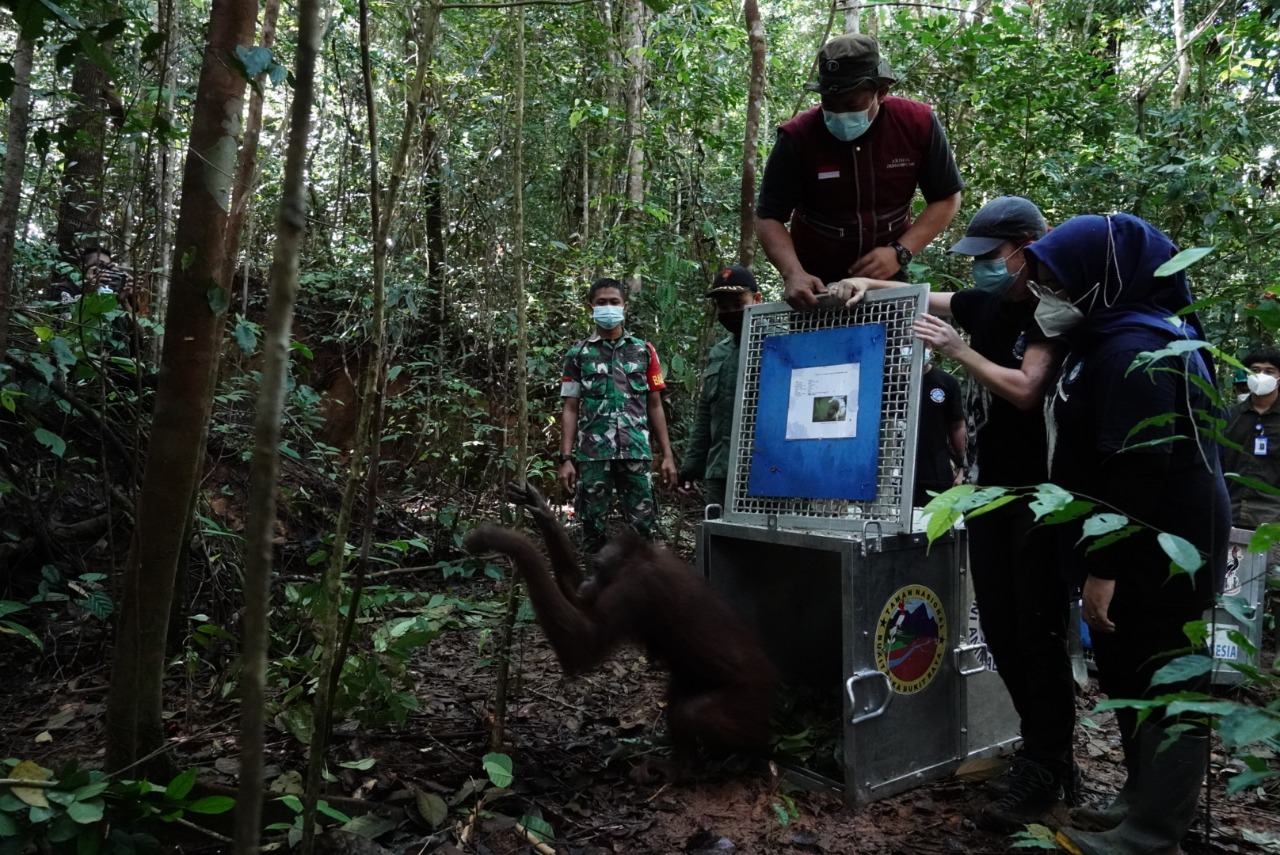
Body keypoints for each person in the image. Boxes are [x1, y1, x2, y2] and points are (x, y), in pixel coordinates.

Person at [831, 197, 1077, 830]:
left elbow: (1025, 390)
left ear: (1026, 248)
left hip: (1042, 497)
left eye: (990, 258)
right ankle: (1040, 749)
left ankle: (1049, 764)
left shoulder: (1055, 312)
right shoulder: (986, 303)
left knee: (1037, 630)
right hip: (991, 494)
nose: (981, 272)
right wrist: (866, 281)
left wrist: (958, 351)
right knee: (998, 623)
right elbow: (928, 295)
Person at [1023, 213, 1229, 855]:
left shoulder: (1134, 351)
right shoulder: (1106, 339)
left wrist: (1103, 570)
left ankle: (1154, 832)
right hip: (1133, 541)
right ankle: (1138, 799)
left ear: (1103, 279)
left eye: (1057, 280)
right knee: (1128, 672)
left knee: (1166, 681)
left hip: (1161, 548)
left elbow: (1139, 468)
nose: (1047, 294)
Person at [754, 33, 962, 310]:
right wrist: (792, 273)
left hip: (886, 272)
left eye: (851, 105)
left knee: (889, 349)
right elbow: (769, 216)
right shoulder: (797, 137)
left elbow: (947, 197)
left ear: (882, 91)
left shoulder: (917, 124)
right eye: (830, 104)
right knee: (819, 352)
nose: (839, 114)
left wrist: (899, 251)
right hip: (815, 280)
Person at [558, 278, 678, 556]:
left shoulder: (644, 350)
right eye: (601, 302)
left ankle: (641, 592)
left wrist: (667, 455)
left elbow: (655, 404)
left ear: (625, 305)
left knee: (643, 530)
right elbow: (571, 407)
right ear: (591, 307)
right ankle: (595, 593)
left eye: (614, 302)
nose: (608, 308)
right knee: (592, 529)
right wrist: (566, 459)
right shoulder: (578, 354)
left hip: (636, 452)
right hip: (593, 455)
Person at [678, 264, 762, 511]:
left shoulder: (778, 345)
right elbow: (706, 413)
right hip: (721, 470)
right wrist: (692, 466)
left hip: (765, 468)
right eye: (723, 307)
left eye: (738, 303)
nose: (731, 311)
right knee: (720, 541)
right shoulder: (720, 352)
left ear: (757, 299)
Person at [1221, 347, 1280, 569]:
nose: (1261, 375)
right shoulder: (1229, 416)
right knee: (1227, 584)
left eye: (1269, 371)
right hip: (1229, 514)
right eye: (1255, 370)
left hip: (1272, 521)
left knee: (1271, 586)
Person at [913, 351, 966, 506]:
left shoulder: (946, 382)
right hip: (894, 478)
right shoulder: (890, 380)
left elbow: (958, 427)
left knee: (934, 527)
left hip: (935, 476)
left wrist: (964, 468)